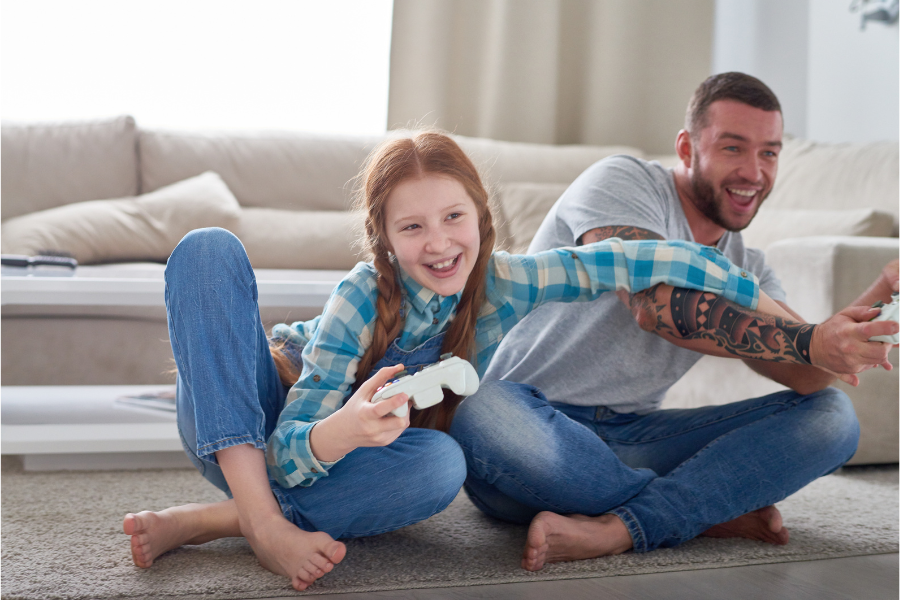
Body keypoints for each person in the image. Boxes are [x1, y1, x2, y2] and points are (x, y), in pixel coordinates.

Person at [122, 131, 767, 591]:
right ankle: (260, 524)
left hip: (341, 462)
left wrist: (739, 286)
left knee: (441, 465)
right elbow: (286, 447)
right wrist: (339, 431)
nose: (439, 244)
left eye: (454, 216)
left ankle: (209, 521)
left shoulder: (506, 283)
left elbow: (621, 264)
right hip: (249, 418)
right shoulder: (361, 296)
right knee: (208, 248)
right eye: (412, 228)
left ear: (482, 219)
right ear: (384, 239)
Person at [449, 72, 899, 570]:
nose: (754, 172)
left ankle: (622, 526)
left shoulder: (752, 265)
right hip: (529, 432)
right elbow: (655, 305)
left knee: (832, 418)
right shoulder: (624, 182)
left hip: (635, 441)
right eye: (733, 148)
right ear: (687, 149)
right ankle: (697, 511)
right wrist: (812, 341)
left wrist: (875, 305)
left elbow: (807, 372)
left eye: (769, 153)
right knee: (479, 409)